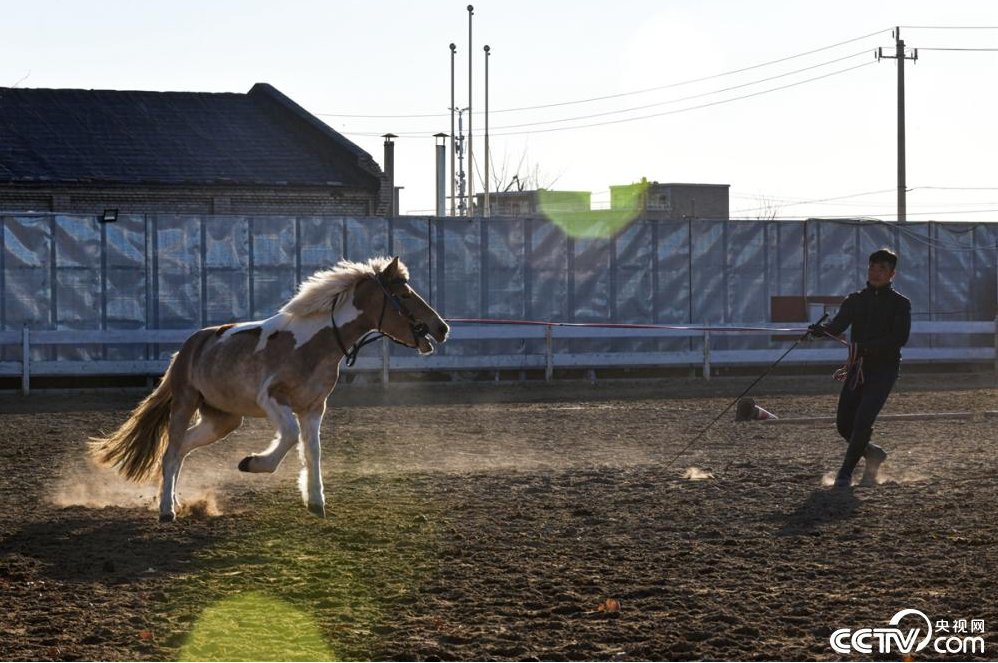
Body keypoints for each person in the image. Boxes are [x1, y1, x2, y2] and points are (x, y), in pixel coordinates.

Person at [808, 248, 911, 488]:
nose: (876, 273)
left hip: (884, 370)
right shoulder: (855, 300)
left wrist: (865, 347)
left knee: (863, 420)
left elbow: (899, 338)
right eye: (872, 268)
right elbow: (838, 325)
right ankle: (873, 453)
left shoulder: (900, 304)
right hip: (858, 369)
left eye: (882, 269)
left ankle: (845, 473)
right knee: (844, 424)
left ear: (892, 274)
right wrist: (820, 331)